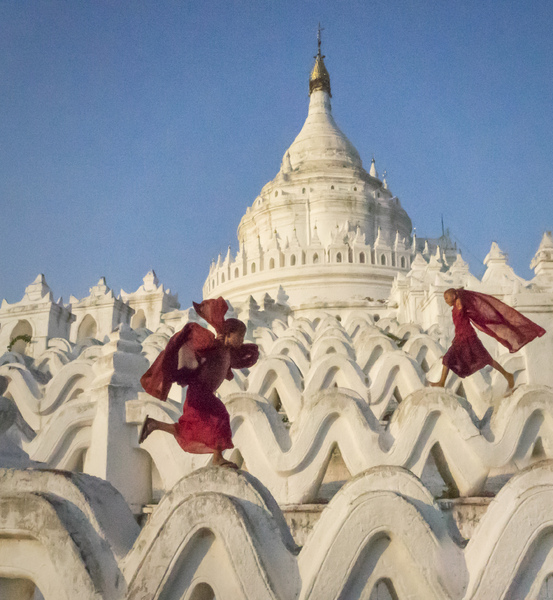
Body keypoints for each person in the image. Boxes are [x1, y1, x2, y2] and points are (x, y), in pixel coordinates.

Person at [138, 297, 259, 469]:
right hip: (198, 391)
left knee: (190, 428)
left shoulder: (227, 352)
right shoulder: (213, 346)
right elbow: (195, 350)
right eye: (239, 336)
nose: (241, 340)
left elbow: (246, 357)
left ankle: (154, 424)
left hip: (202, 393)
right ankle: (217, 457)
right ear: (229, 334)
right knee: (221, 416)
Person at [428, 288, 545, 389]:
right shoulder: (454, 309)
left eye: (447, 298)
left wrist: (460, 295)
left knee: (487, 359)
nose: (446, 300)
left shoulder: (460, 304)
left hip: (470, 338)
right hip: (460, 339)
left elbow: (466, 303)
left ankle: (507, 375)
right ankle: (442, 382)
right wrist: (454, 338)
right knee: (448, 358)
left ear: (454, 296)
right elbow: (459, 325)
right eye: (445, 298)